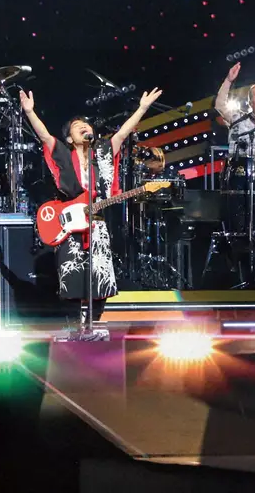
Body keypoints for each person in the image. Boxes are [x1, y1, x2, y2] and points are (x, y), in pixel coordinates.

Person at [19, 87, 162, 327]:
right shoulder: (63, 154)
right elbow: (45, 136)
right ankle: (76, 326)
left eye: (86, 124)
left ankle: (94, 324)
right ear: (69, 138)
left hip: (97, 223)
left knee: (101, 278)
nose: (84, 126)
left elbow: (122, 133)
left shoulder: (102, 153)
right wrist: (30, 112)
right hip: (70, 223)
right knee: (72, 278)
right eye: (78, 126)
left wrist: (142, 108)